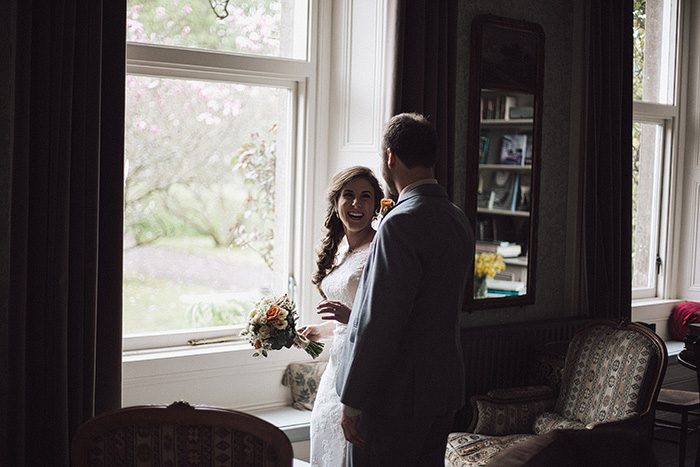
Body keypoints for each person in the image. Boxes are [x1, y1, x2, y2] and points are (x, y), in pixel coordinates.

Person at [335, 113, 474, 466]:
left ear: (390, 157)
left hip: (394, 397)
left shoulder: (399, 223)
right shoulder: (457, 218)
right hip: (442, 391)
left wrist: (352, 400)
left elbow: (378, 322)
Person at [297, 166, 383, 467]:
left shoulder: (380, 249)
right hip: (335, 368)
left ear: (375, 205)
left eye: (365, 197)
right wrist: (321, 330)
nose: (357, 204)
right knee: (327, 443)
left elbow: (383, 316)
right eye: (349, 196)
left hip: (362, 363)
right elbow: (347, 316)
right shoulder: (344, 248)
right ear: (336, 203)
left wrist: (350, 317)